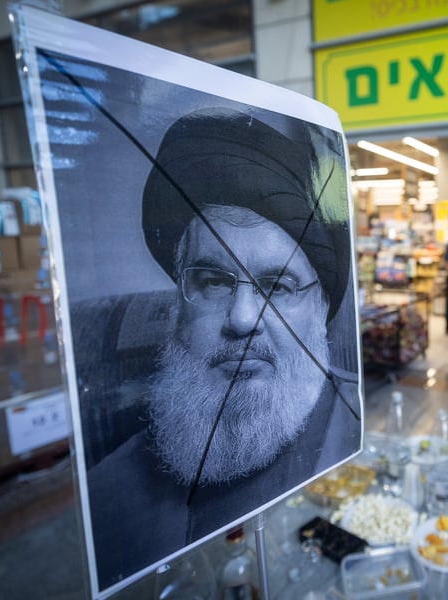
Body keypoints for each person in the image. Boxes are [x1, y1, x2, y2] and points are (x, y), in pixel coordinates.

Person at [85, 108, 360, 588]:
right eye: (213, 280)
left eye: (277, 285)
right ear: (178, 304)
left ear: (319, 306)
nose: (241, 318)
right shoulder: (109, 497)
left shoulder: (360, 443)